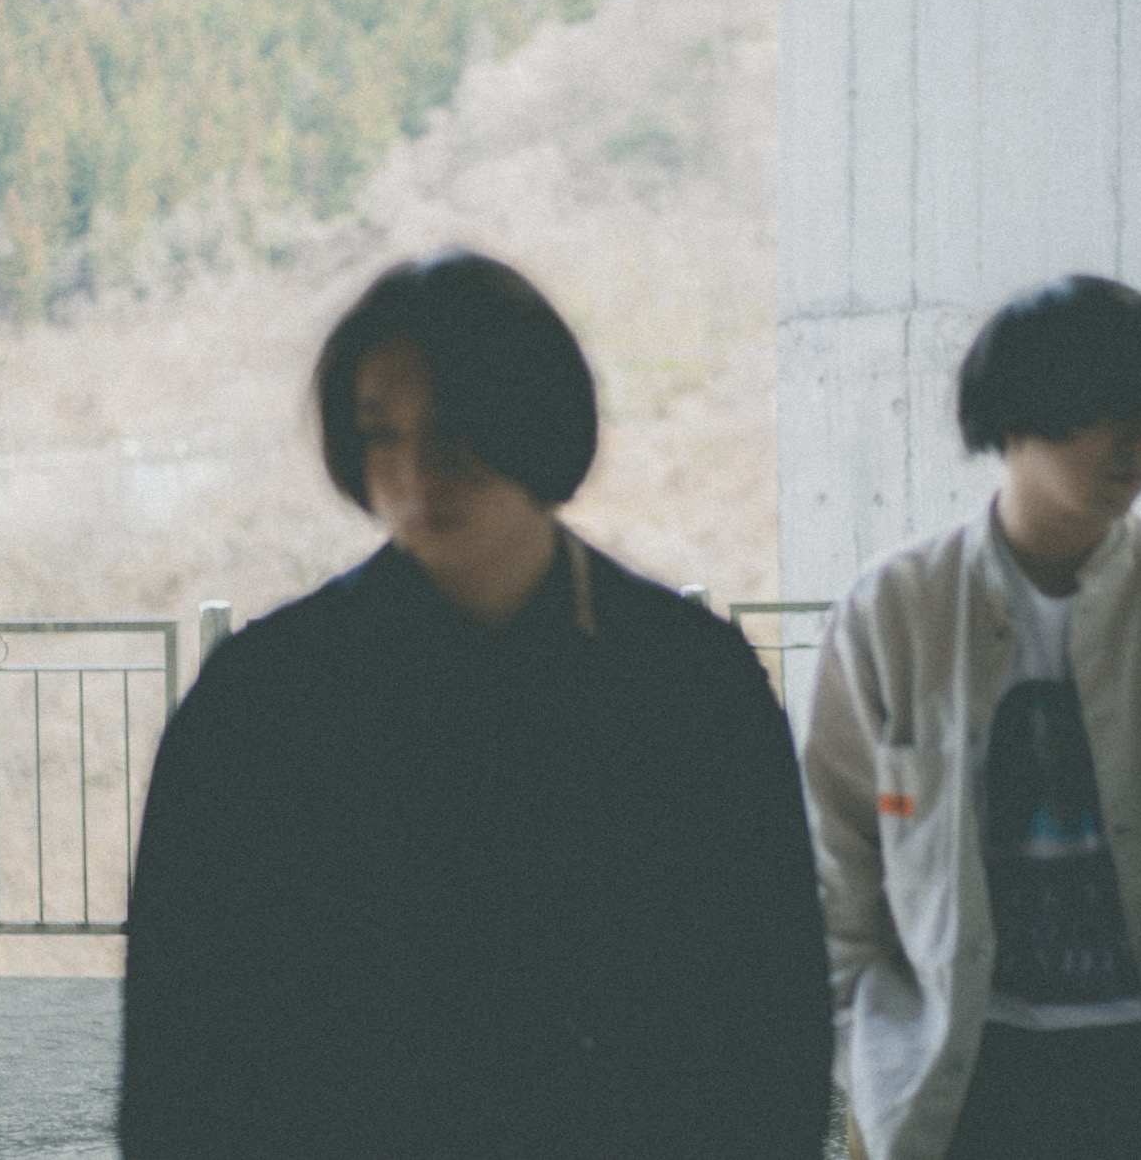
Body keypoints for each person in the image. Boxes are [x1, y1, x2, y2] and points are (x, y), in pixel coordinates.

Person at [119, 248, 832, 1158]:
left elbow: (775, 1021)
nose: (418, 472)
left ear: (541, 416)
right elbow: (179, 1058)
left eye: (459, 426)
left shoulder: (690, 682)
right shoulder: (262, 703)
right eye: (381, 432)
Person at [792, 276, 1141, 1160]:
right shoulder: (895, 609)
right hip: (962, 1067)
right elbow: (837, 850)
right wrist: (862, 1035)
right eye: (1105, 411)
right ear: (1014, 416)